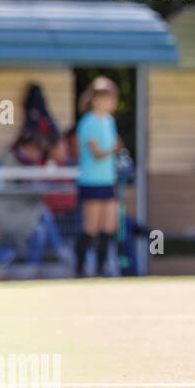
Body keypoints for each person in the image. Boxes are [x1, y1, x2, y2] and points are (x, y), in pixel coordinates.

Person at [74, 77, 124, 276]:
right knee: (91, 228)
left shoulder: (110, 122)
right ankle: (79, 270)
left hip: (107, 181)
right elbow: (96, 153)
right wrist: (114, 149)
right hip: (91, 181)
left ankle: (101, 271)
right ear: (96, 99)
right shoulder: (88, 123)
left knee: (110, 226)